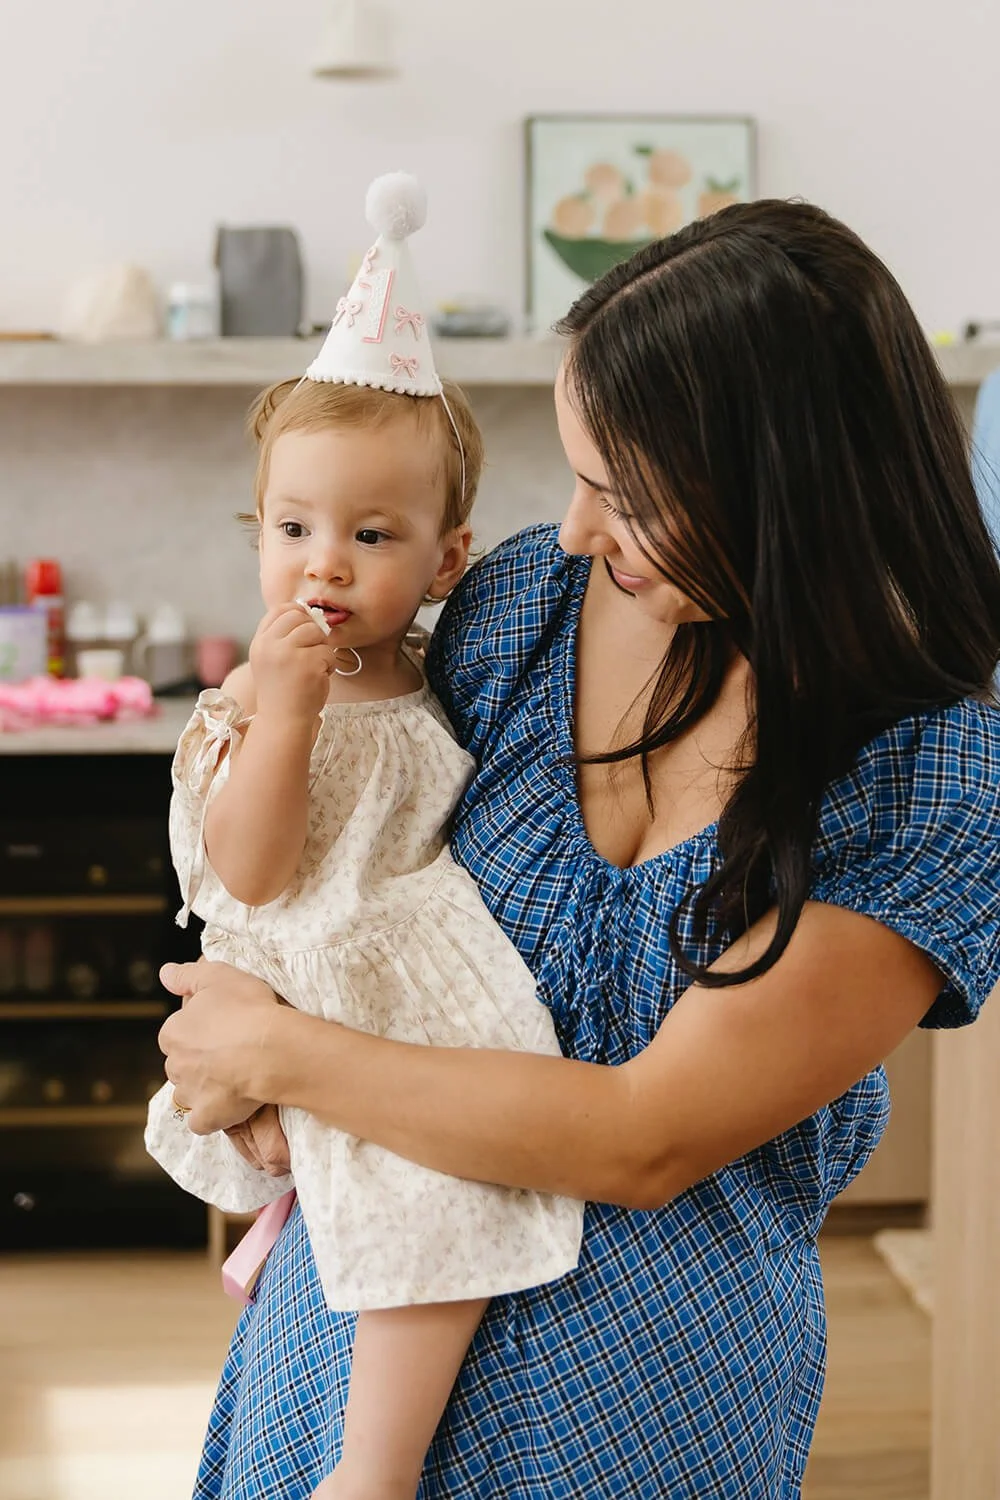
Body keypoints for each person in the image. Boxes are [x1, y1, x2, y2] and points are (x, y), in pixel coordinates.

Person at [157, 197, 1000, 1500]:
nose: (574, 531)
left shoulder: (928, 775)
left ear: (782, 495)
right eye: (576, 476)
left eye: (626, 496)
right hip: (344, 1371)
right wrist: (253, 1067)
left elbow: (645, 1138)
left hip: (641, 1423)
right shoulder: (519, 614)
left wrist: (285, 1053)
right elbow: (337, 873)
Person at [144, 174, 583, 1500]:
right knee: (415, 1193)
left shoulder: (443, 658)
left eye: (369, 535)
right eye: (293, 529)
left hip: (414, 961)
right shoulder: (255, 698)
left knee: (454, 1200)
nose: (323, 566)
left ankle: (372, 1451)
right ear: (257, 527)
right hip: (313, 956)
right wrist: (278, 717)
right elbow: (251, 868)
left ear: (446, 563)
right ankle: (370, 1465)